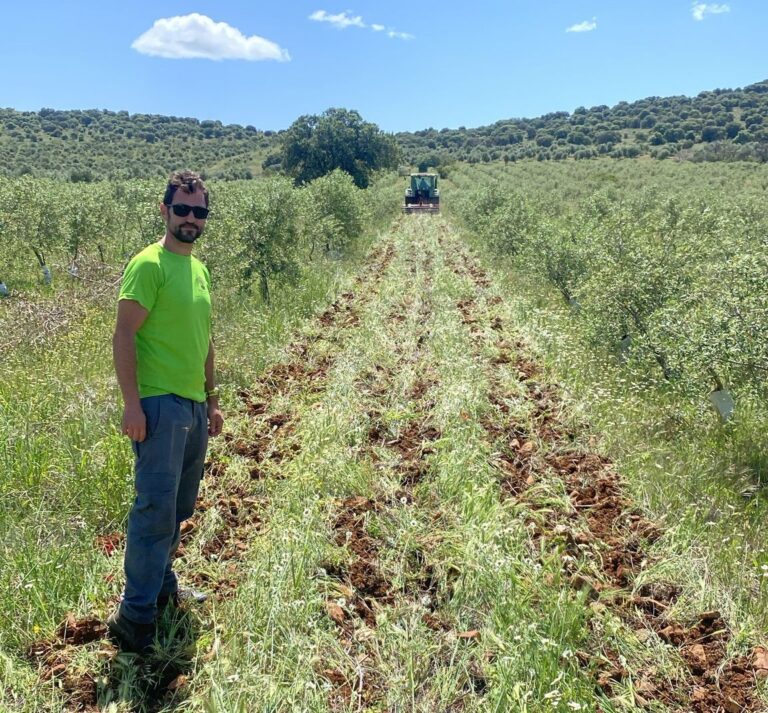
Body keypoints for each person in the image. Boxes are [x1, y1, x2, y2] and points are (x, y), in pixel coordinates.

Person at [107, 170, 224, 653]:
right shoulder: (148, 264)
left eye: (199, 211)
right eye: (182, 209)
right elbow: (123, 336)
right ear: (165, 210)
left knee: (178, 507)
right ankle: (134, 618)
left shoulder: (199, 270)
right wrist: (132, 405)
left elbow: (206, 341)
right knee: (154, 510)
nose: (190, 219)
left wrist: (213, 399)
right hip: (159, 405)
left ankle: (161, 586)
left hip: (193, 407)